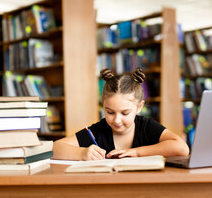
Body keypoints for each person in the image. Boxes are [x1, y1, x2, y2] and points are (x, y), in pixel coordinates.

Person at [52, 67, 189, 160]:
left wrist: (136, 152)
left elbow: (182, 148)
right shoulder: (98, 130)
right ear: (103, 106)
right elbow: (54, 148)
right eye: (110, 112)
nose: (116, 120)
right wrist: (81, 153)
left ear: (139, 107)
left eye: (125, 113)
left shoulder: (146, 127)